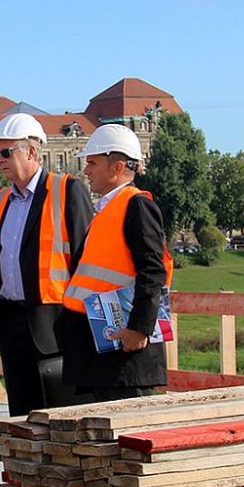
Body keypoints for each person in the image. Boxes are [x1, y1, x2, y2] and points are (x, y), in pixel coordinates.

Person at [0, 113, 93, 416]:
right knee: (22, 421)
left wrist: (78, 328)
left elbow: (85, 263)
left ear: (32, 152)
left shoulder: (68, 190)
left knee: (61, 423)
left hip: (55, 329)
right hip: (12, 324)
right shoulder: (2, 199)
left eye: (6, 152)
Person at [55, 125, 173, 403]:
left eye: (92, 163)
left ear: (118, 166)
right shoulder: (109, 208)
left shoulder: (135, 205)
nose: (86, 170)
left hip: (124, 353)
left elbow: (153, 271)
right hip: (101, 350)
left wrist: (139, 328)